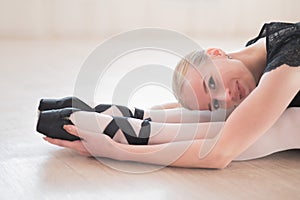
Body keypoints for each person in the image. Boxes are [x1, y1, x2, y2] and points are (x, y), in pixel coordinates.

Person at [39, 22, 300, 168]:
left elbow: (221, 153)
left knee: (280, 122)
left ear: (215, 53)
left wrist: (118, 151)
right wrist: (147, 113)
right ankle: (138, 122)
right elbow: (222, 111)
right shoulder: (259, 51)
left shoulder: (289, 56)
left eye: (211, 82)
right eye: (215, 101)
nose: (226, 95)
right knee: (244, 116)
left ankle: (138, 133)